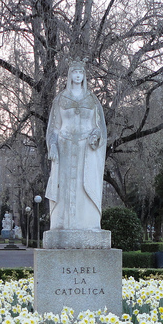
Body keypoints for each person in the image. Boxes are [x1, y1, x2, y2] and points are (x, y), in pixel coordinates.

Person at [45, 60, 106, 230]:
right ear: (70, 75)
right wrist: (53, 146)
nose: (78, 75)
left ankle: (88, 225)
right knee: (64, 188)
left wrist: (95, 135)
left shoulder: (92, 100)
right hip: (64, 148)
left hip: (86, 149)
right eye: (74, 72)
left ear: (84, 76)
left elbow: (99, 126)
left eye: (81, 72)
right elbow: (54, 128)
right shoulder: (60, 99)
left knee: (84, 186)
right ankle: (61, 225)